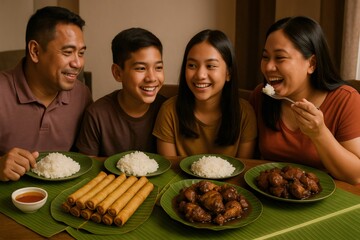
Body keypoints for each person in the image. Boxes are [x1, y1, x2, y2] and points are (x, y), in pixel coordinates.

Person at [249, 16, 360, 185]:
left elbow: (356, 176)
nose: (269, 67)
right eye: (265, 57)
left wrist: (320, 133)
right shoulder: (260, 96)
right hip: (270, 195)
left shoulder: (346, 100)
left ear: (312, 63)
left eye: (280, 58)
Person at [0, 6, 93, 181]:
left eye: (81, 53)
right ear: (35, 51)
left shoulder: (82, 95)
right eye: (67, 52)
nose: (78, 63)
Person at [153, 29, 257, 158]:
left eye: (210, 66)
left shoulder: (245, 113)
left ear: (228, 73)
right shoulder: (169, 111)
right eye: (192, 65)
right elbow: (169, 169)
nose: (200, 75)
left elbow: (244, 168)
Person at [76, 28, 166, 157]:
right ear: (118, 73)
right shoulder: (97, 115)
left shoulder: (167, 111)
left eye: (158, 68)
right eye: (141, 68)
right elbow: (88, 167)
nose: (151, 78)